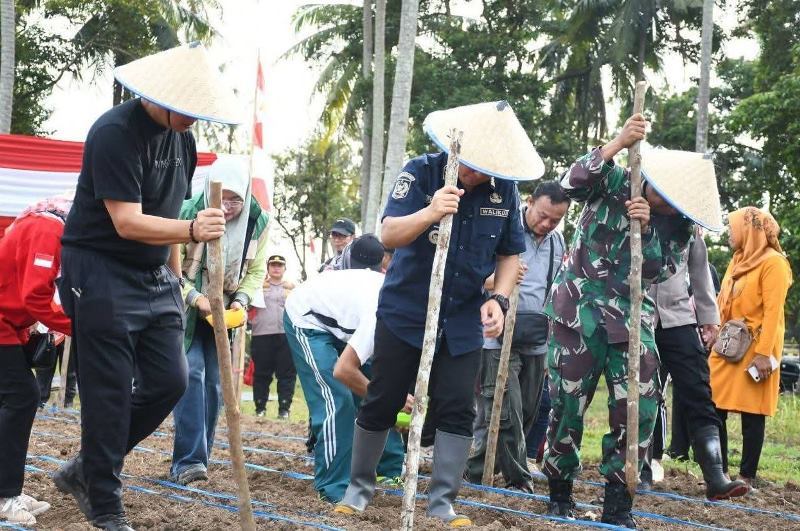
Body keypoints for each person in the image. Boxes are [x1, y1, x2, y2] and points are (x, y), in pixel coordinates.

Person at [54, 43, 240, 531]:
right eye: (185, 109)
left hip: (155, 274)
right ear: (158, 94)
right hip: (99, 267)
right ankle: (106, 503)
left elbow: (173, 211)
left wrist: (177, 276)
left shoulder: (183, 140)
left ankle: (85, 469)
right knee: (109, 393)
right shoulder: (114, 132)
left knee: (170, 381)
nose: (192, 120)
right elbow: (128, 222)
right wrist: (193, 232)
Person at [335, 101, 540, 527]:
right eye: (472, 166)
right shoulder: (421, 171)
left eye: (487, 168)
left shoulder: (505, 191)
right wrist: (431, 210)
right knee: (383, 399)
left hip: (463, 319)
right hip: (405, 311)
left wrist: (499, 301)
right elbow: (389, 232)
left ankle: (442, 501)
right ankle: (358, 490)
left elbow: (508, 255)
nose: (477, 175)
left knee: (458, 408)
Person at [543, 115, 722, 528]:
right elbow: (570, 183)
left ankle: (619, 503)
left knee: (636, 411)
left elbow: (662, 270)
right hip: (578, 314)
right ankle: (559, 491)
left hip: (632, 322)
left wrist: (647, 229)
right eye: (662, 195)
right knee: (568, 405)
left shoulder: (680, 222)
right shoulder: (614, 180)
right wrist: (617, 142)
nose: (664, 203)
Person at [170, 157, 269, 485]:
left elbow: (255, 270)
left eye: (235, 199)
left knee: (216, 381)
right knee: (191, 373)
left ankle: (202, 460)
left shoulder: (257, 221)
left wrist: (240, 301)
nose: (227, 207)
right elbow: (169, 266)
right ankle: (187, 461)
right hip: (185, 307)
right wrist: (195, 299)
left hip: (222, 313)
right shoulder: (187, 212)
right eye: (221, 198)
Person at [284, 235, 405, 502]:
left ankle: (388, 469)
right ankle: (333, 486)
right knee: (336, 399)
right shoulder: (381, 314)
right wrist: (385, 396)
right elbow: (343, 371)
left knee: (381, 387)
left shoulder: (403, 314)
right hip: (309, 318)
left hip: (344, 321)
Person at [465, 180, 569, 492]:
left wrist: (552, 342)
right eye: (542, 215)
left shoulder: (557, 242)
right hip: (495, 333)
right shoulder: (502, 230)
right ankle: (519, 478)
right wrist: (496, 280)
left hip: (536, 336)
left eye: (556, 219)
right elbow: (472, 274)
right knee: (503, 409)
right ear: (529, 202)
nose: (547, 223)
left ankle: (474, 469)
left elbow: (553, 291)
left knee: (526, 412)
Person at [641, 231, 747, 499]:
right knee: (639, 395)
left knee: (699, 392)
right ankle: (639, 471)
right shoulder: (635, 214)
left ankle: (715, 475)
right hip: (637, 315)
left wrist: (709, 318)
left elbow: (700, 273)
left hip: (679, 318)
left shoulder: (688, 226)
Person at [0, 193, 75, 525]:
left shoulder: (46, 219)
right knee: (23, 395)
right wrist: (78, 326)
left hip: (8, 323)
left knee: (15, 398)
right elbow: (34, 295)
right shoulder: (49, 228)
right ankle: (5, 495)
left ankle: (8, 489)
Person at [710, 207, 793, 490]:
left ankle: (747, 475)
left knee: (752, 412)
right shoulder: (737, 260)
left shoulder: (774, 263)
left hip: (756, 347)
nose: (730, 234)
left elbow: (773, 313)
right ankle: (719, 473)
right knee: (714, 403)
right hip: (728, 345)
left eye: (734, 228)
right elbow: (723, 302)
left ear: (750, 230)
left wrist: (763, 355)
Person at [251, 254, 295, 418]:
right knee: (262, 373)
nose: (276, 268)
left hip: (286, 335)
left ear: (284, 268)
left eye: (280, 265)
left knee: (287, 374)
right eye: (273, 265)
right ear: (268, 268)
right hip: (262, 335)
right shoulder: (258, 286)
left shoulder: (293, 288)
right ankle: (260, 407)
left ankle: (284, 409)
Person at [36, 335, 78, 409]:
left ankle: (67, 404)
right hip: (49, 332)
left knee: (70, 371)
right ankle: (40, 403)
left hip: (68, 333)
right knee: (44, 370)